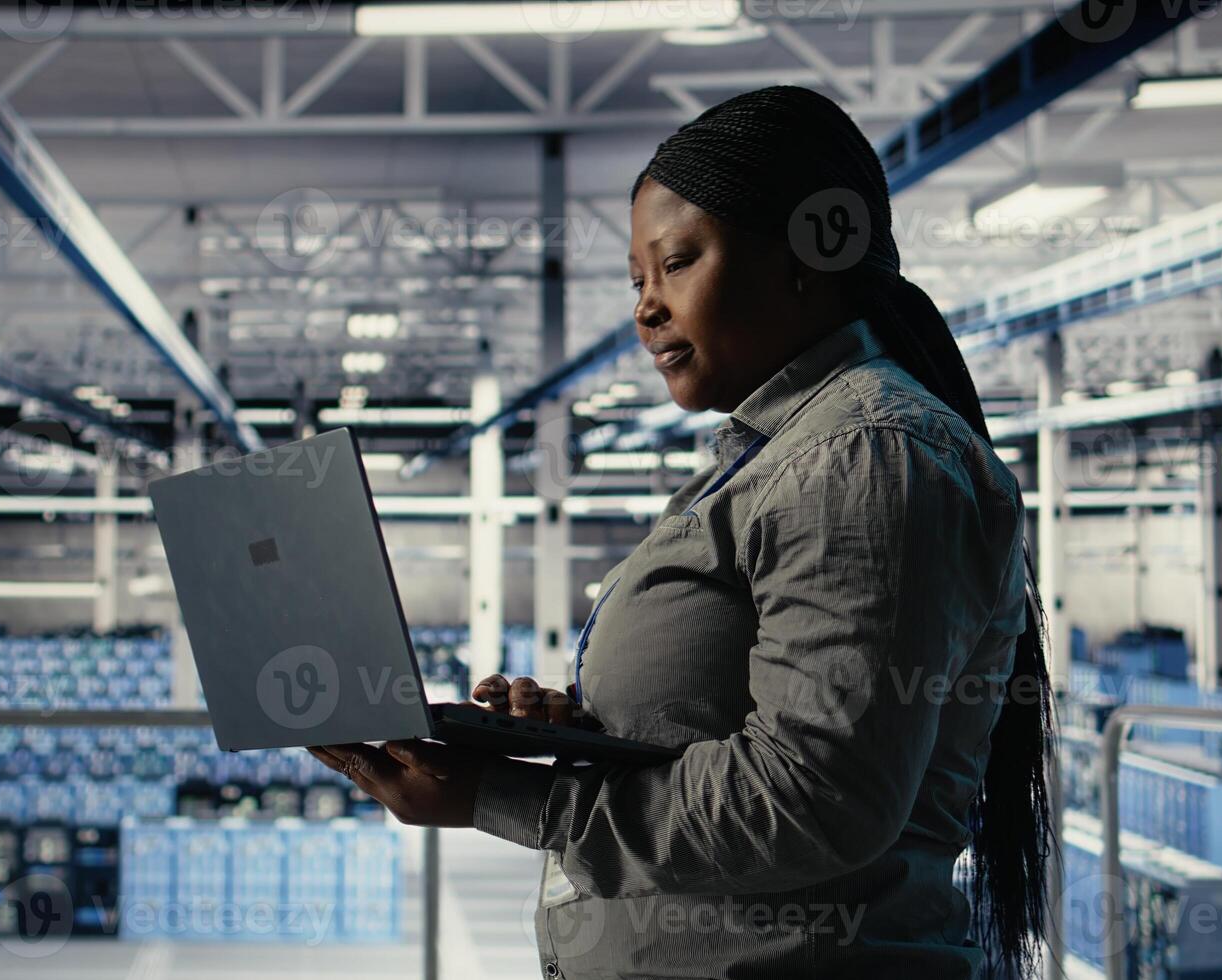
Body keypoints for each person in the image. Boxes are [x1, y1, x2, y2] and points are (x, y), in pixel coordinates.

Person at [309, 86, 1055, 980]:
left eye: (677, 263)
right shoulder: (773, 457)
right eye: (639, 281)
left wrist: (505, 797)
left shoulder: (863, 454)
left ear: (808, 255)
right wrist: (587, 730)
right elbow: (730, 727)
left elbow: (815, 797)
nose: (647, 308)